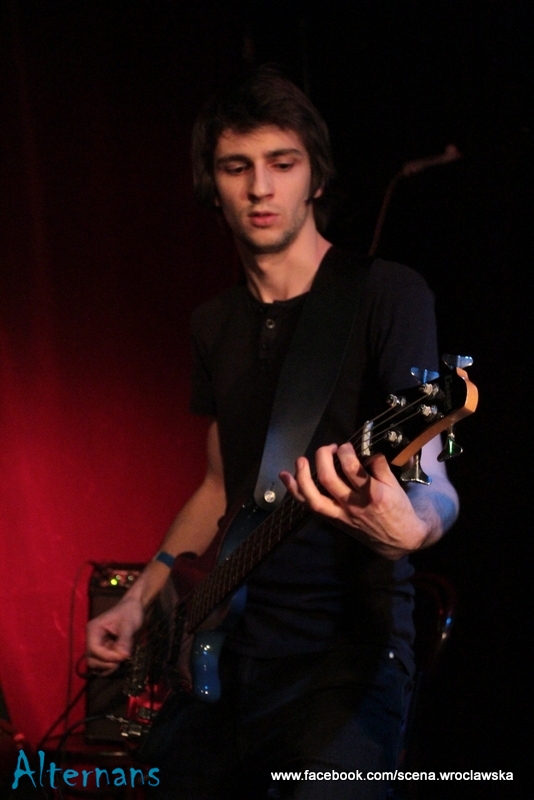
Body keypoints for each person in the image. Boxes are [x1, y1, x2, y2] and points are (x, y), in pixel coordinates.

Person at [86, 66, 459, 799]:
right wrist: (141, 597)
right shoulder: (212, 324)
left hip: (343, 662)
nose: (260, 187)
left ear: (315, 176)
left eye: (281, 164)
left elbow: (432, 471)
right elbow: (220, 486)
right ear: (212, 186)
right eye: (237, 167)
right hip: (226, 651)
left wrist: (414, 526)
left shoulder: (388, 294)